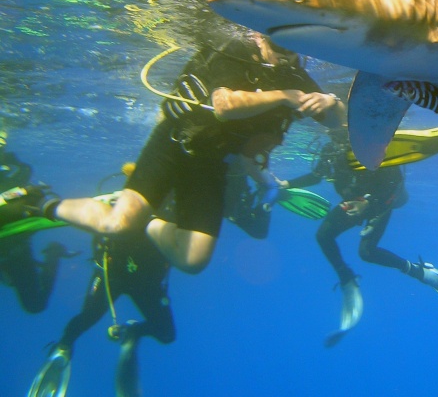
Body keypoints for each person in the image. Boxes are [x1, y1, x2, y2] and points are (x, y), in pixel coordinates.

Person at [9, 32, 344, 273]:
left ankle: (148, 218)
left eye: (295, 49)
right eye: (280, 46)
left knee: (192, 261)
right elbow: (224, 105)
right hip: (174, 144)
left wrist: (330, 102)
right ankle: (41, 202)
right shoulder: (235, 48)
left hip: (212, 164)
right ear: (261, 35)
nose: (286, 56)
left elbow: (336, 121)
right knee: (116, 224)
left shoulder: (293, 73)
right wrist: (284, 96)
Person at [281, 123, 438, 346]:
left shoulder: (372, 149)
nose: (331, 131)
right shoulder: (331, 150)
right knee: (323, 236)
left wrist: (368, 204)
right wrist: (286, 183)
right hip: (353, 202)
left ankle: (421, 272)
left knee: (367, 252)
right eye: (329, 127)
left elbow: (393, 186)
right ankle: (346, 278)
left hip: (381, 203)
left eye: (336, 126)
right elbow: (316, 176)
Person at [28, 203, 175, 397]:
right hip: (111, 275)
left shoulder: (174, 212)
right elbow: (94, 217)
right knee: (87, 317)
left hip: (146, 283)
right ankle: (63, 349)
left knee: (166, 334)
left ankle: (133, 332)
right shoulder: (129, 202)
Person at [0, 127, 76, 313]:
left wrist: (18, 167)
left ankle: (53, 253)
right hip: (10, 248)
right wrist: (20, 192)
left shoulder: (12, 174)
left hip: (15, 250)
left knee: (35, 305)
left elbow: (27, 176)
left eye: (2, 147)